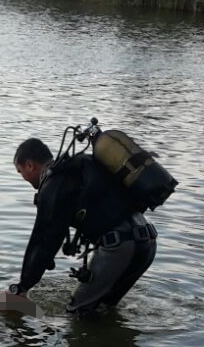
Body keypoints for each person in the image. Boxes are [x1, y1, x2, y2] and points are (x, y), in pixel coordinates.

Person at [8, 136, 156, 318]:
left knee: (78, 312)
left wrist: (23, 286)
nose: (23, 178)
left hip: (120, 247)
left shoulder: (53, 184)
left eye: (20, 171)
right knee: (104, 307)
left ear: (30, 165)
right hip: (147, 241)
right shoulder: (81, 165)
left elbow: (45, 239)